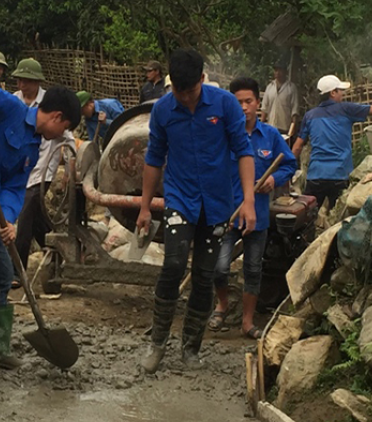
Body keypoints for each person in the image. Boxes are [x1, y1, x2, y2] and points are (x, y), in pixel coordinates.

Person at [0, 72, 80, 390]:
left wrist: (8, 219)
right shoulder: (9, 109)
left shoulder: (33, 146)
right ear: (57, 117)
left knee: (5, 272)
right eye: (64, 129)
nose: (60, 134)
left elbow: (13, 187)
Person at [137, 48, 257, 374]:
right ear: (171, 85)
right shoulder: (162, 110)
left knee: (205, 276)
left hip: (218, 202)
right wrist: (145, 207)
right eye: (179, 91)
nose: (186, 98)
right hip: (180, 197)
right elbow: (154, 158)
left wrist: (247, 200)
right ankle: (157, 343)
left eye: (190, 91)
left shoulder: (225, 105)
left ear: (202, 80)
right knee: (174, 264)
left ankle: (191, 347)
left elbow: (243, 151)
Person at [209, 77, 297, 339]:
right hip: (227, 215)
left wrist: (274, 179)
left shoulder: (270, 136)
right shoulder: (222, 137)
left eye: (249, 101)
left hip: (257, 218)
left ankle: (247, 322)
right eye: (238, 103)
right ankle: (222, 304)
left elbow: (290, 164)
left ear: (258, 103)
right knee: (219, 266)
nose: (244, 107)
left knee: (253, 269)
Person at [291, 75, 372, 208]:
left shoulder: (310, 115)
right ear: (333, 93)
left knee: (307, 214)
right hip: (339, 175)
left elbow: (298, 146)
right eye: (340, 90)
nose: (343, 94)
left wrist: (289, 168)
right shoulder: (346, 109)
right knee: (338, 216)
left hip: (316, 176)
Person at [11, 58, 76, 285]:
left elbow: (68, 140)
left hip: (40, 175)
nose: (22, 85)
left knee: (24, 221)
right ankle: (57, 255)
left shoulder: (50, 103)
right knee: (39, 222)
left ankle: (15, 272)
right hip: (19, 172)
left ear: (37, 82)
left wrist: (69, 170)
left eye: (27, 81)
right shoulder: (14, 102)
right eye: (19, 80)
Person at [261, 61, 300, 134]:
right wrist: (261, 126)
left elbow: (294, 110)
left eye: (280, 70)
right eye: (276, 70)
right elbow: (264, 108)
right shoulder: (270, 87)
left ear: (285, 72)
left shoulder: (291, 88)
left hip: (285, 129)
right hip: (271, 127)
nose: (278, 73)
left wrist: (293, 129)